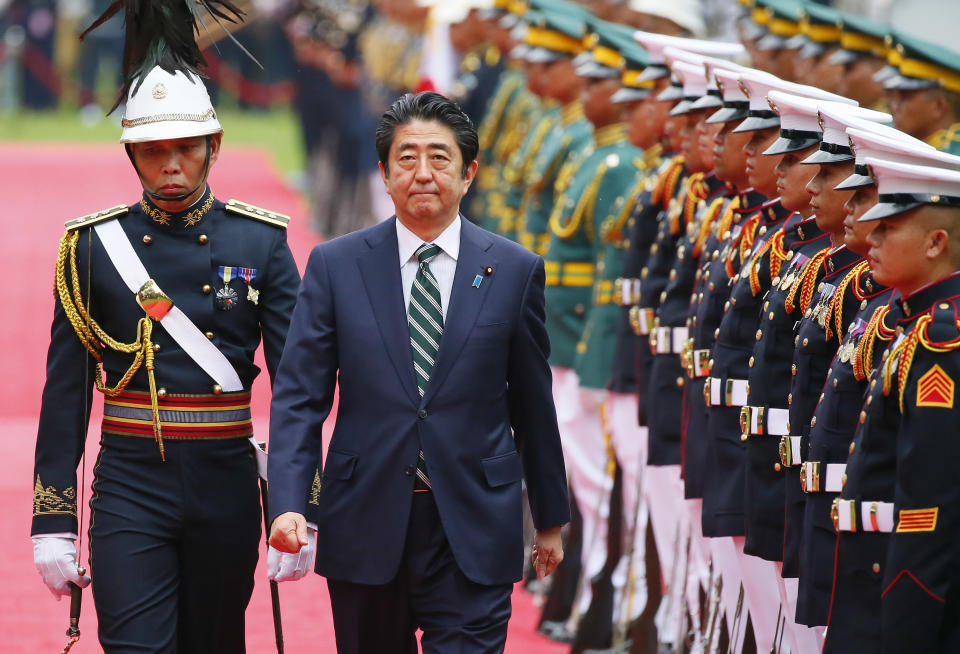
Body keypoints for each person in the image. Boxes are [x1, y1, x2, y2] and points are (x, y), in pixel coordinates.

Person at [30, 3, 301, 650]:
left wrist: (297, 502)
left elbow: (298, 388)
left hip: (226, 478)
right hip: (129, 479)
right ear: (131, 154)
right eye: (153, 152)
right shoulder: (92, 248)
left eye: (185, 148)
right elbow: (64, 395)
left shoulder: (260, 243)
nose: (171, 165)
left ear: (215, 146)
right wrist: (54, 518)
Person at [266, 91, 570, 654]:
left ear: (469, 172)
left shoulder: (513, 270)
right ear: (383, 173)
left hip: (475, 521)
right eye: (407, 158)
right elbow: (300, 397)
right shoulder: (336, 266)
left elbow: (533, 403)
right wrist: (288, 501)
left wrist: (549, 517)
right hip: (366, 517)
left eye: (440, 157)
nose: (423, 173)